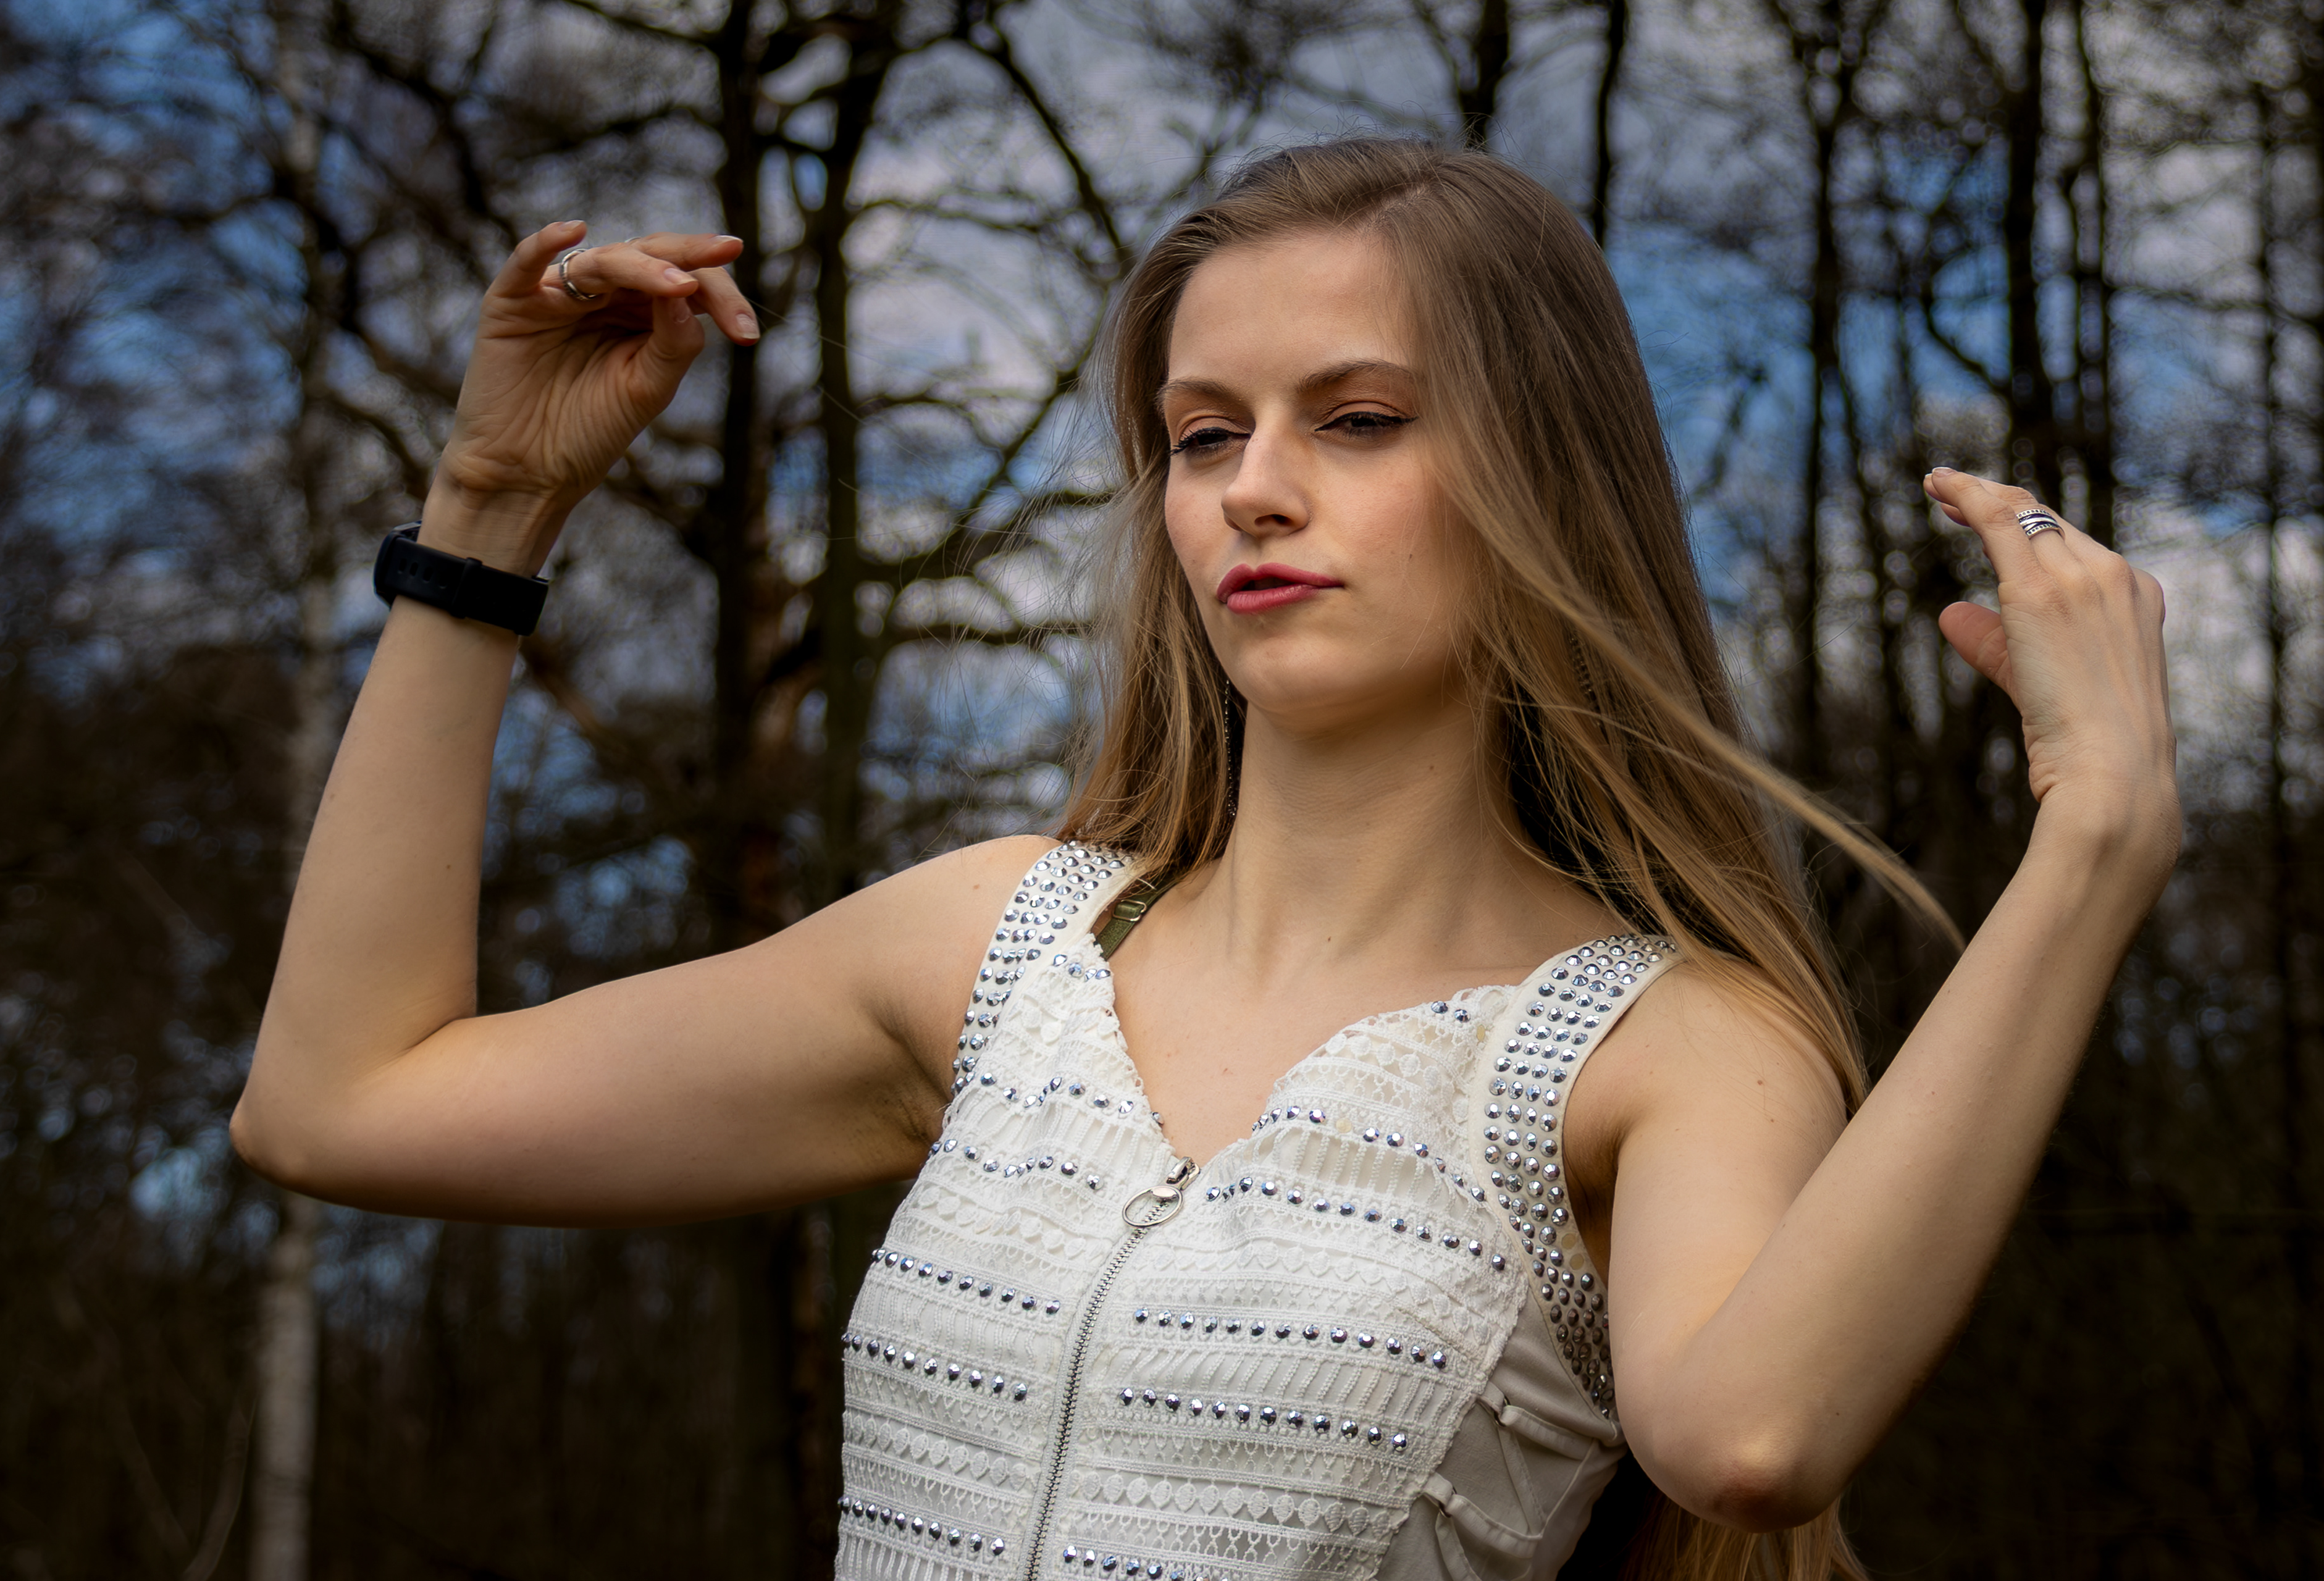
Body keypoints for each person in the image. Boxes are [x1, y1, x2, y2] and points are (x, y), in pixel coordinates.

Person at [232, 140, 2179, 1581]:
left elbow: (1752, 1439)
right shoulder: (996, 945)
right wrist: (489, 514)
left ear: (1542, 470)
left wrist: (2094, 837)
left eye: (1361, 419)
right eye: (1200, 433)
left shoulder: (1665, 1051)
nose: (1256, 487)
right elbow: (340, 1102)